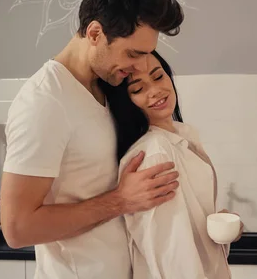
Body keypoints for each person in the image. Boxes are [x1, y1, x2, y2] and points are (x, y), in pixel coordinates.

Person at [0, 0, 184, 279]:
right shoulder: (45, 102)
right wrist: (121, 200)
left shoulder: (107, 85)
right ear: (95, 33)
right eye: (133, 54)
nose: (140, 66)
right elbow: (17, 229)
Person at [100, 51, 243, 279]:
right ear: (125, 103)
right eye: (138, 89)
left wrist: (220, 227)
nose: (156, 90)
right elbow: (172, 254)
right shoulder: (155, 153)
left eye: (158, 76)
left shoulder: (181, 135)